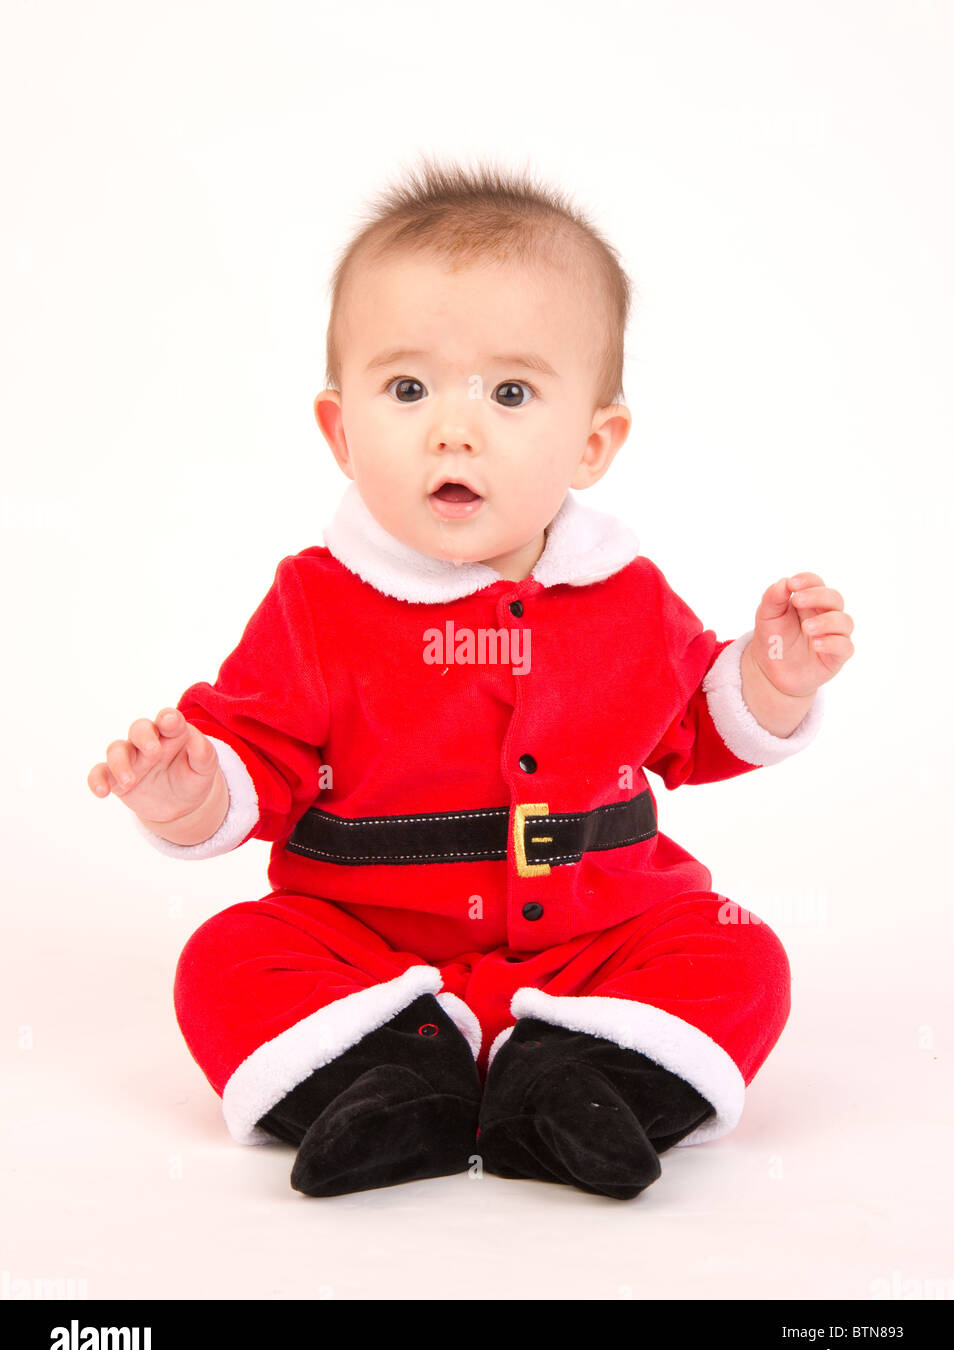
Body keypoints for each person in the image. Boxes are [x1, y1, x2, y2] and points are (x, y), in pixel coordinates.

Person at [87, 159, 855, 1200]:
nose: (454, 429)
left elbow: (697, 730)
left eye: (510, 391)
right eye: (407, 389)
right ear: (340, 430)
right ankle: (394, 1076)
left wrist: (774, 677)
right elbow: (254, 760)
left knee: (742, 956)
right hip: (367, 943)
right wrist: (190, 791)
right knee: (227, 957)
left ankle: (581, 1078)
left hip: (599, 932)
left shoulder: (624, 593)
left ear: (592, 442)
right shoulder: (318, 600)